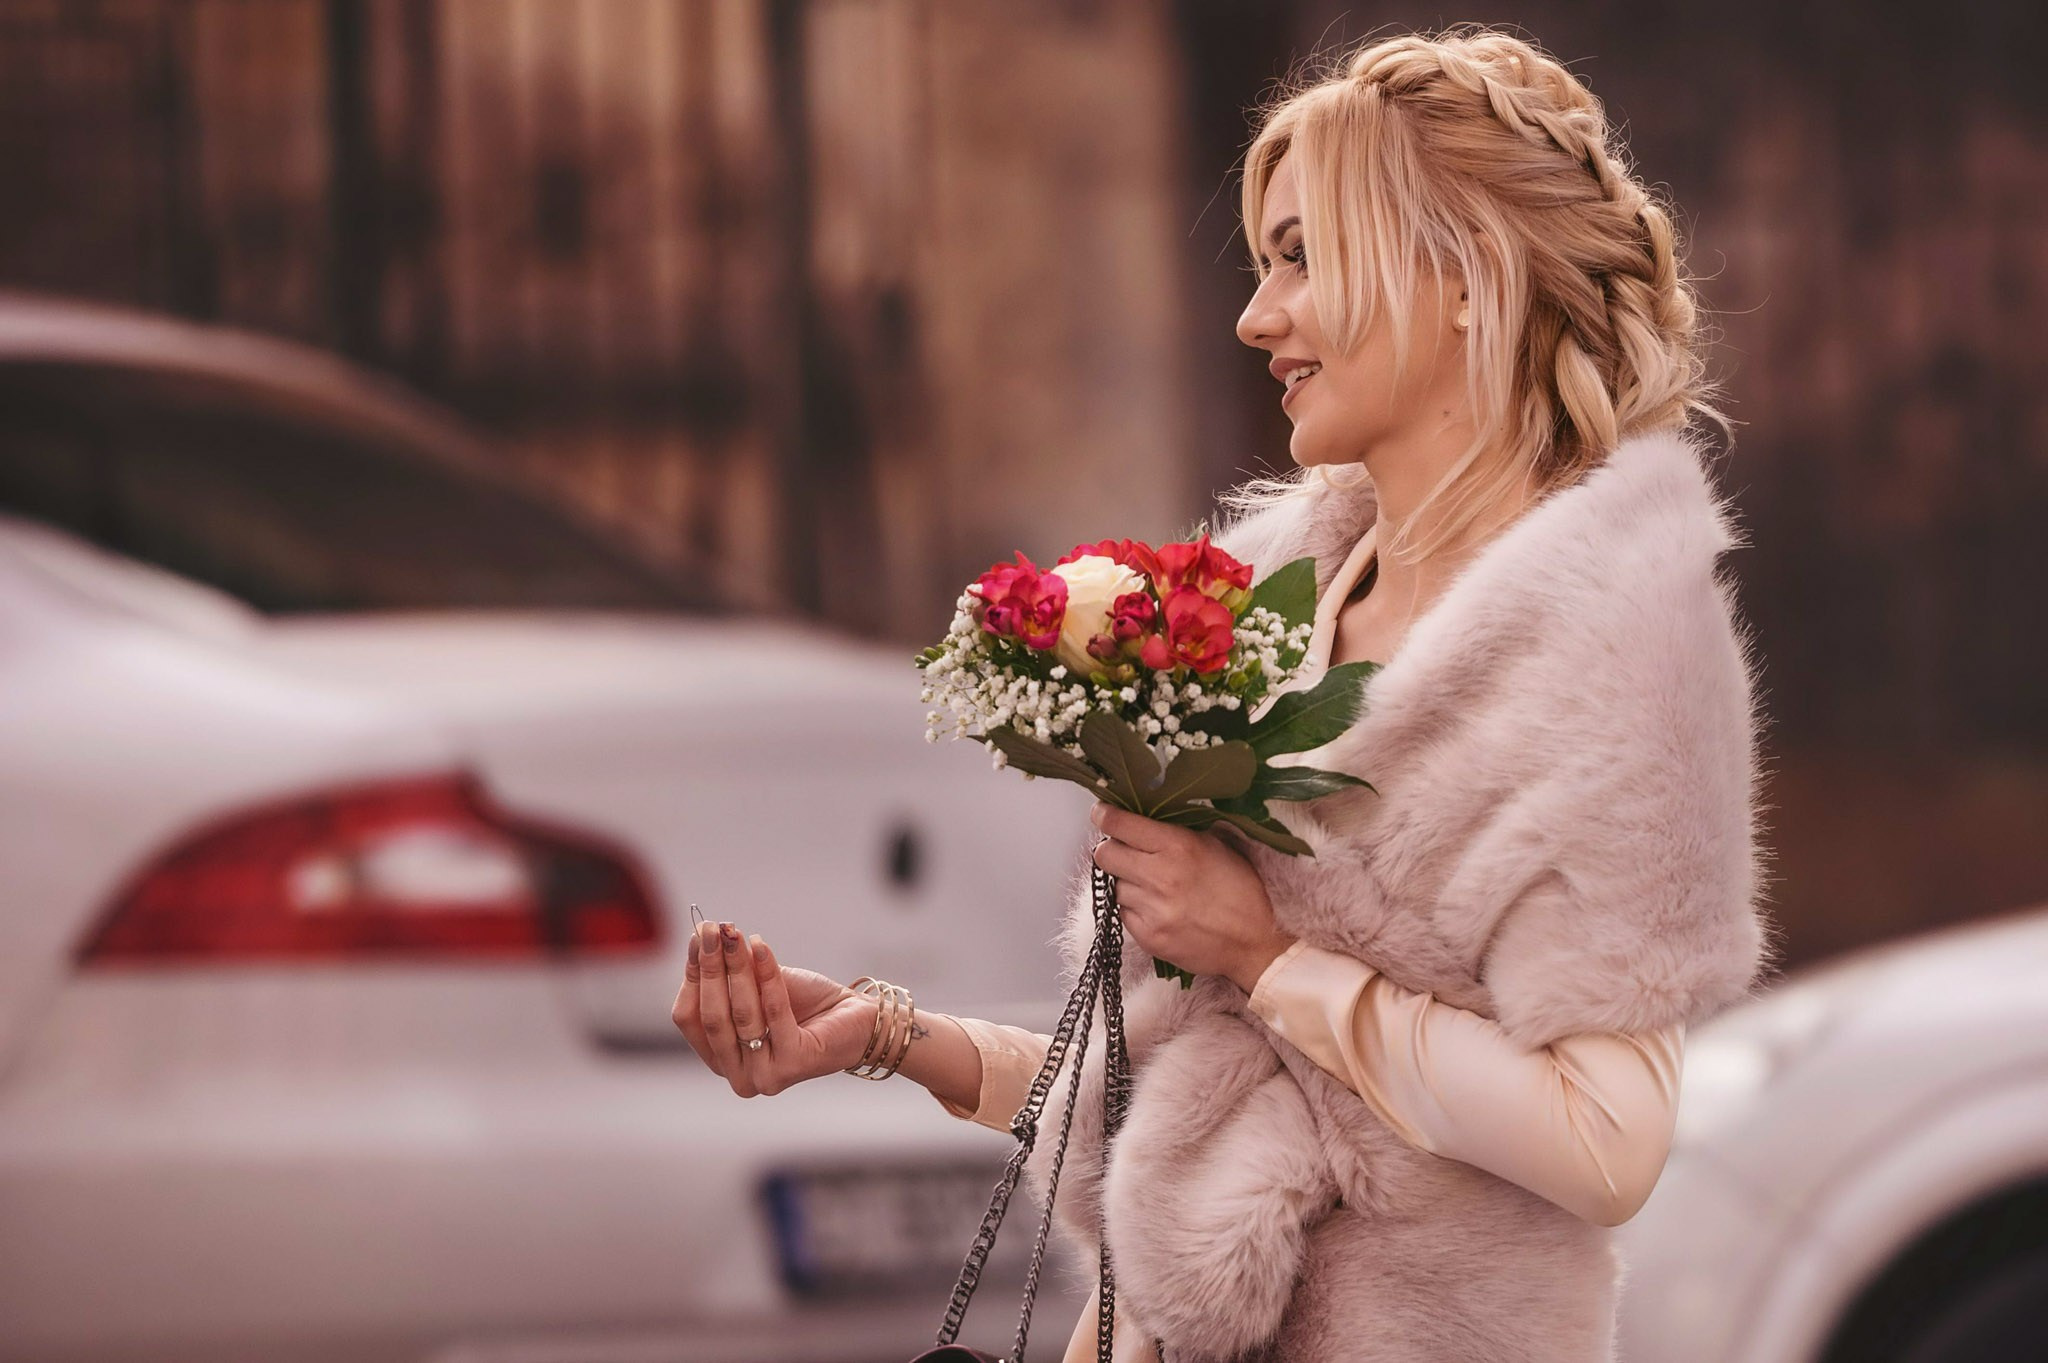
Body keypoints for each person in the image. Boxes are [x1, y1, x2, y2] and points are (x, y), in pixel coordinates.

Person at [675, 24, 1768, 1363]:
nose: (1258, 317)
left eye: (1302, 256)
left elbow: (1608, 1146)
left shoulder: (1610, 637)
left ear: (1469, 276)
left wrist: (1269, 954)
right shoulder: (1259, 611)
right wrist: (890, 1037)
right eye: (1264, 264)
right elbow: (1186, 1108)